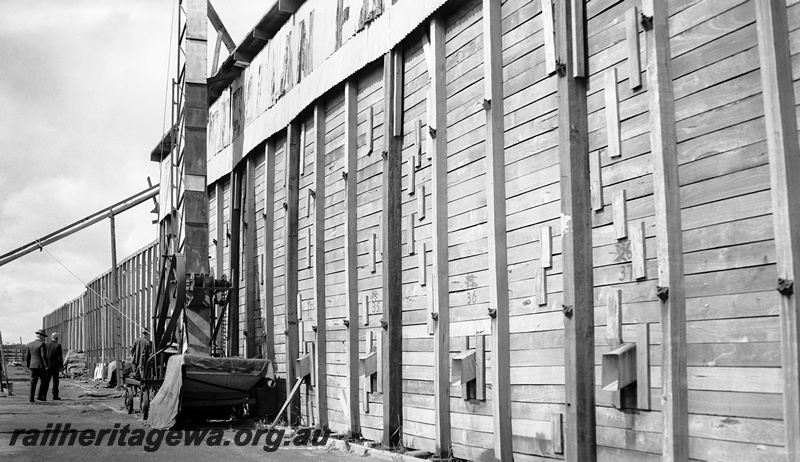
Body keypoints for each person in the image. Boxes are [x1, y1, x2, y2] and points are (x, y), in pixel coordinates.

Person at [25, 329, 49, 402]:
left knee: (32, 382)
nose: (44, 338)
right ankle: (40, 396)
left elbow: (27, 356)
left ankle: (31, 398)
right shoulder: (42, 344)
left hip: (33, 366)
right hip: (41, 366)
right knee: (44, 381)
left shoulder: (30, 344)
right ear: (41, 336)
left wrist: (28, 365)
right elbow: (43, 356)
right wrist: (46, 365)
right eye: (44, 336)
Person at [45, 332, 63, 400]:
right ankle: (55, 395)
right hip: (55, 366)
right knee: (55, 381)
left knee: (46, 381)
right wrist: (61, 366)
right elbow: (59, 357)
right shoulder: (58, 345)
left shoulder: (46, 345)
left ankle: (44, 395)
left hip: (48, 365)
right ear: (57, 338)